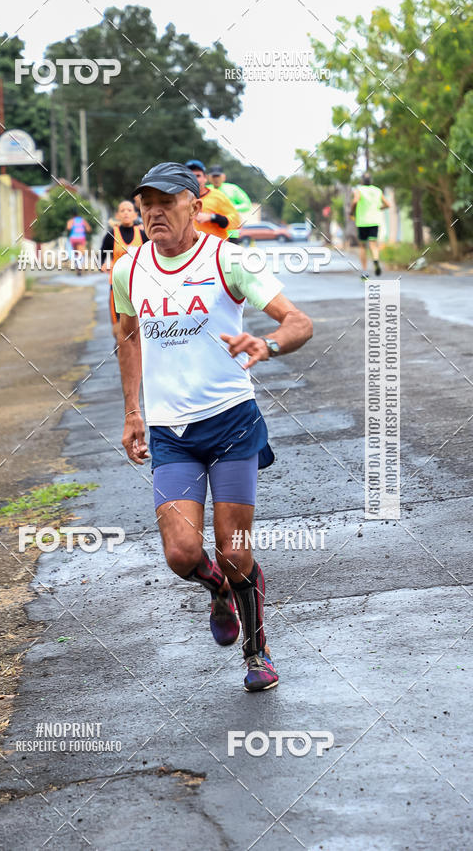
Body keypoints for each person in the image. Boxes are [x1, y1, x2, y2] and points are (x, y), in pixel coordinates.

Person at [112, 162, 313, 692]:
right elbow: (128, 337)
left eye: (167, 202)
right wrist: (134, 411)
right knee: (181, 554)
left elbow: (299, 322)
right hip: (170, 433)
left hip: (232, 426)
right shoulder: (127, 270)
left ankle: (257, 652)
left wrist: (267, 345)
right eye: (146, 203)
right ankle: (220, 592)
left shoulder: (229, 260)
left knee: (236, 551)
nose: (154, 211)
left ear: (195, 207)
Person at [100, 200, 147, 341]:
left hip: (139, 285)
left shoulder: (143, 235)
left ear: (135, 214)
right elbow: (101, 257)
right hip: (117, 286)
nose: (126, 213)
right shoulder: (111, 235)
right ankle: (121, 346)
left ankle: (139, 350)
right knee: (119, 323)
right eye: (122, 210)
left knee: (140, 321)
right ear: (117, 215)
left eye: (129, 210)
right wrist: (104, 264)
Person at [184, 159, 240, 240]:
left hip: (215, 248)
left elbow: (236, 221)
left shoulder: (217, 195)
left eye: (198, 176)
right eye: (190, 176)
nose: (194, 179)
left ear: (205, 178)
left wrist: (212, 217)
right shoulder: (179, 198)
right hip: (189, 249)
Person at [350, 173, 390, 279]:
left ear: (362, 181)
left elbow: (354, 201)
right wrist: (379, 208)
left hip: (362, 221)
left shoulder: (359, 190)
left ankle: (364, 271)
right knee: (373, 245)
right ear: (371, 181)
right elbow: (387, 204)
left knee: (362, 246)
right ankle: (376, 261)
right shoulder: (377, 190)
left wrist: (351, 212)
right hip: (375, 221)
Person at [208, 166, 252, 244]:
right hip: (211, 231)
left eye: (218, 176)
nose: (216, 179)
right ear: (209, 178)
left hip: (231, 232)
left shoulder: (233, 189)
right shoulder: (206, 190)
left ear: (223, 177)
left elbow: (247, 205)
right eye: (214, 176)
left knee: (232, 254)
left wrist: (231, 208)